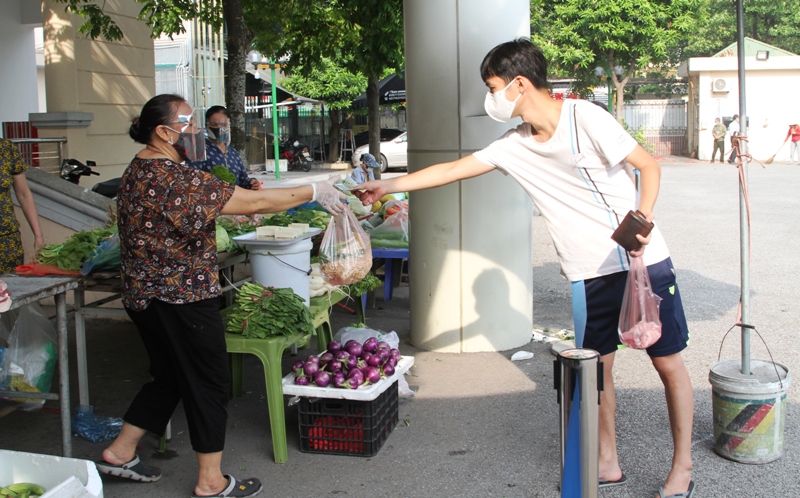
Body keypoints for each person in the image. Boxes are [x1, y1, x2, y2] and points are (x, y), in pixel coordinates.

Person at [353, 39, 694, 498]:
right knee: (597, 373)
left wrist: (644, 218)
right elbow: (452, 170)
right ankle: (607, 461)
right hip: (588, 275)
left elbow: (648, 166)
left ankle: (683, 466)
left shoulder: (585, 118)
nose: (490, 97)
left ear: (518, 83)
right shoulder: (513, 145)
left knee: (667, 363)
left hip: (640, 262)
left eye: (492, 87)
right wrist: (388, 185)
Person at [94, 94, 344, 497]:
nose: (196, 131)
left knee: (170, 375)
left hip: (144, 296)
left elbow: (233, 199)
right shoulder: (174, 178)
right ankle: (210, 481)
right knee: (209, 380)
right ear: (164, 132)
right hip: (182, 298)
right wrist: (314, 188)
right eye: (189, 123)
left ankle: (120, 452)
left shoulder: (139, 168)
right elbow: (255, 200)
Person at [190, 106, 261, 190]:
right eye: (214, 124)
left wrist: (252, 183)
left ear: (228, 125)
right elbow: (193, 180)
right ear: (207, 125)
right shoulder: (199, 150)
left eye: (223, 124)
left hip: (237, 197)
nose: (219, 128)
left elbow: (243, 180)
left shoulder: (233, 152)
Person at [0, 138, 43, 273]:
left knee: (11, 284)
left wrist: (38, 235)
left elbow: (24, 195)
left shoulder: (6, 149)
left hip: (7, 240)